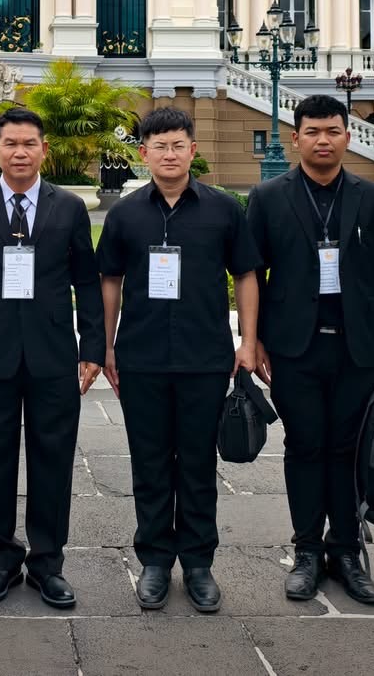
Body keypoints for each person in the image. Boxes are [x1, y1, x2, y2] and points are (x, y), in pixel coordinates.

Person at [246, 93, 374, 606]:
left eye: (332, 131)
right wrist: (255, 341)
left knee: (348, 451)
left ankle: (346, 553)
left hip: (358, 350)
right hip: (294, 349)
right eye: (312, 132)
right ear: (295, 138)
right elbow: (253, 274)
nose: (323, 140)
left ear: (346, 135)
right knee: (305, 447)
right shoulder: (268, 197)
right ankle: (308, 552)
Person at [99, 106, 260, 614]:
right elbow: (110, 282)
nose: (168, 155)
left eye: (178, 145)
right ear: (142, 152)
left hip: (205, 358)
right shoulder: (125, 214)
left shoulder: (224, 209)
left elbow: (248, 276)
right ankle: (153, 560)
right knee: (149, 463)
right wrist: (106, 346)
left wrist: (248, 341)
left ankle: (196, 562)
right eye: (158, 146)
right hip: (142, 357)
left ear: (193, 150)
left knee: (196, 463)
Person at [0, 106, 104, 610]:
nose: (19, 152)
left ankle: (48, 563)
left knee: (53, 459)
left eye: (29, 143)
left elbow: (86, 282)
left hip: (54, 354)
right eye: (10, 143)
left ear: (43, 150)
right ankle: (1, 560)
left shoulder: (69, 208)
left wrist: (92, 347)